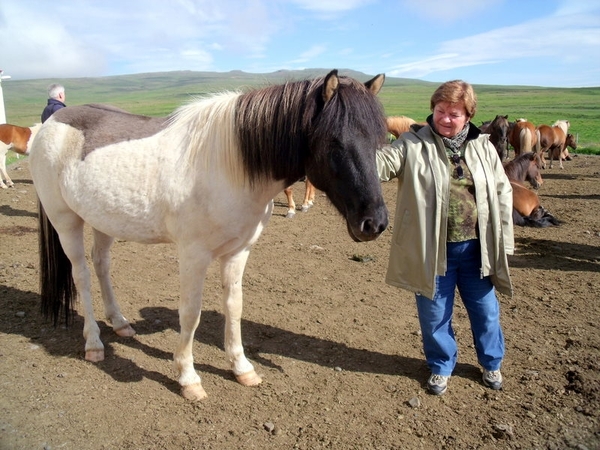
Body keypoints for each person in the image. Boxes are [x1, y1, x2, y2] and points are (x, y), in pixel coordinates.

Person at [376, 80, 514, 395]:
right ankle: (441, 366)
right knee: (434, 315)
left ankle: (491, 363)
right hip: (431, 251)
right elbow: (380, 165)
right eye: (440, 111)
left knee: (486, 311)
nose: (445, 118)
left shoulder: (482, 147)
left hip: (477, 250)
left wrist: (504, 242)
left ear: (468, 116)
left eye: (454, 113)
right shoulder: (412, 144)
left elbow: (502, 192)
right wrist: (352, 148)